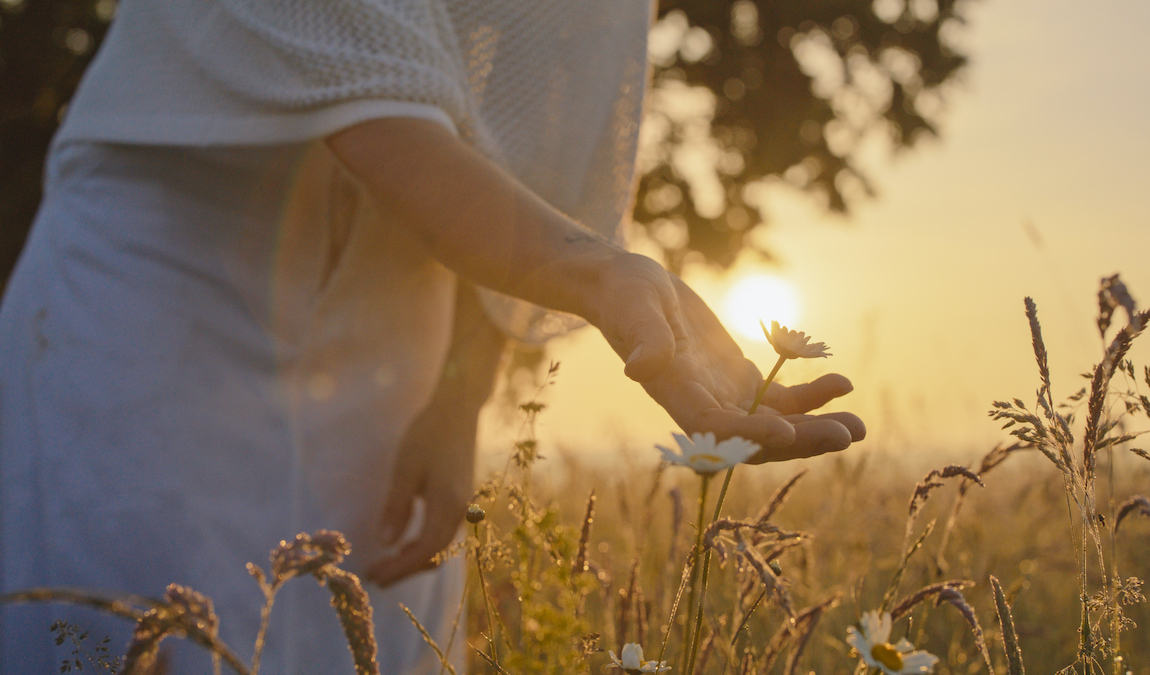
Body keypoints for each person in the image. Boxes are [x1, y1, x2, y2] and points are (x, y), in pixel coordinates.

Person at [0, 1, 864, 673]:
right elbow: (377, 109)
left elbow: (547, 131)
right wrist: (600, 273)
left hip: (404, 313)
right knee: (121, 621)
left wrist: (460, 389)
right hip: (165, 280)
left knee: (353, 632)